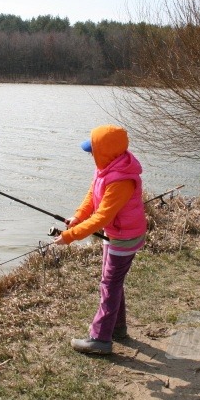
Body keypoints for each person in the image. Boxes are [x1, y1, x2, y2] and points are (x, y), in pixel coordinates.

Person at [54, 124, 147, 355]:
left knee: (109, 284)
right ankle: (117, 327)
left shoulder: (121, 179)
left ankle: (100, 338)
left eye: (92, 150)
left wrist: (70, 236)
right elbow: (91, 195)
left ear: (105, 151)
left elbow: (103, 215)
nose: (90, 155)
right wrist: (77, 216)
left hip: (124, 236)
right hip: (114, 233)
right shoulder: (107, 167)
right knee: (113, 282)